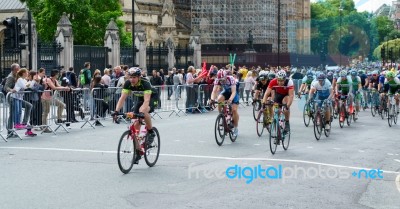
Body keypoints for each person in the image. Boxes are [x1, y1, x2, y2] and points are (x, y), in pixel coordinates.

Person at [113, 67, 159, 164]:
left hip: (152, 98)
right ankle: (138, 151)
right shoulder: (128, 83)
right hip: (140, 99)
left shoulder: (145, 83)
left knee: (143, 110)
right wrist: (116, 111)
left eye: (134, 77)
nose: (132, 79)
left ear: (139, 77)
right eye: (130, 77)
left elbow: (146, 101)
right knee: (134, 128)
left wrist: (142, 112)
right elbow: (122, 98)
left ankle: (151, 132)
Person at [262, 70, 294, 137]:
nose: (280, 82)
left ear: (285, 79)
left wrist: (288, 106)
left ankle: (287, 122)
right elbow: (267, 93)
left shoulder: (289, 82)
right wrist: (264, 102)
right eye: (278, 80)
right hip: (278, 95)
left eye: (282, 81)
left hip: (286, 95)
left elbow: (291, 96)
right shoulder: (273, 81)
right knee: (277, 111)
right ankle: (278, 127)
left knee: (285, 107)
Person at [210, 69, 240, 137]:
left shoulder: (231, 79)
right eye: (220, 80)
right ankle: (222, 115)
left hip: (234, 92)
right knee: (219, 99)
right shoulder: (217, 80)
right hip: (226, 91)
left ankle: (236, 127)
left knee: (234, 110)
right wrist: (212, 99)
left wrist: (230, 100)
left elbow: (233, 92)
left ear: (226, 76)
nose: (222, 81)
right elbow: (214, 91)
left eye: (223, 79)